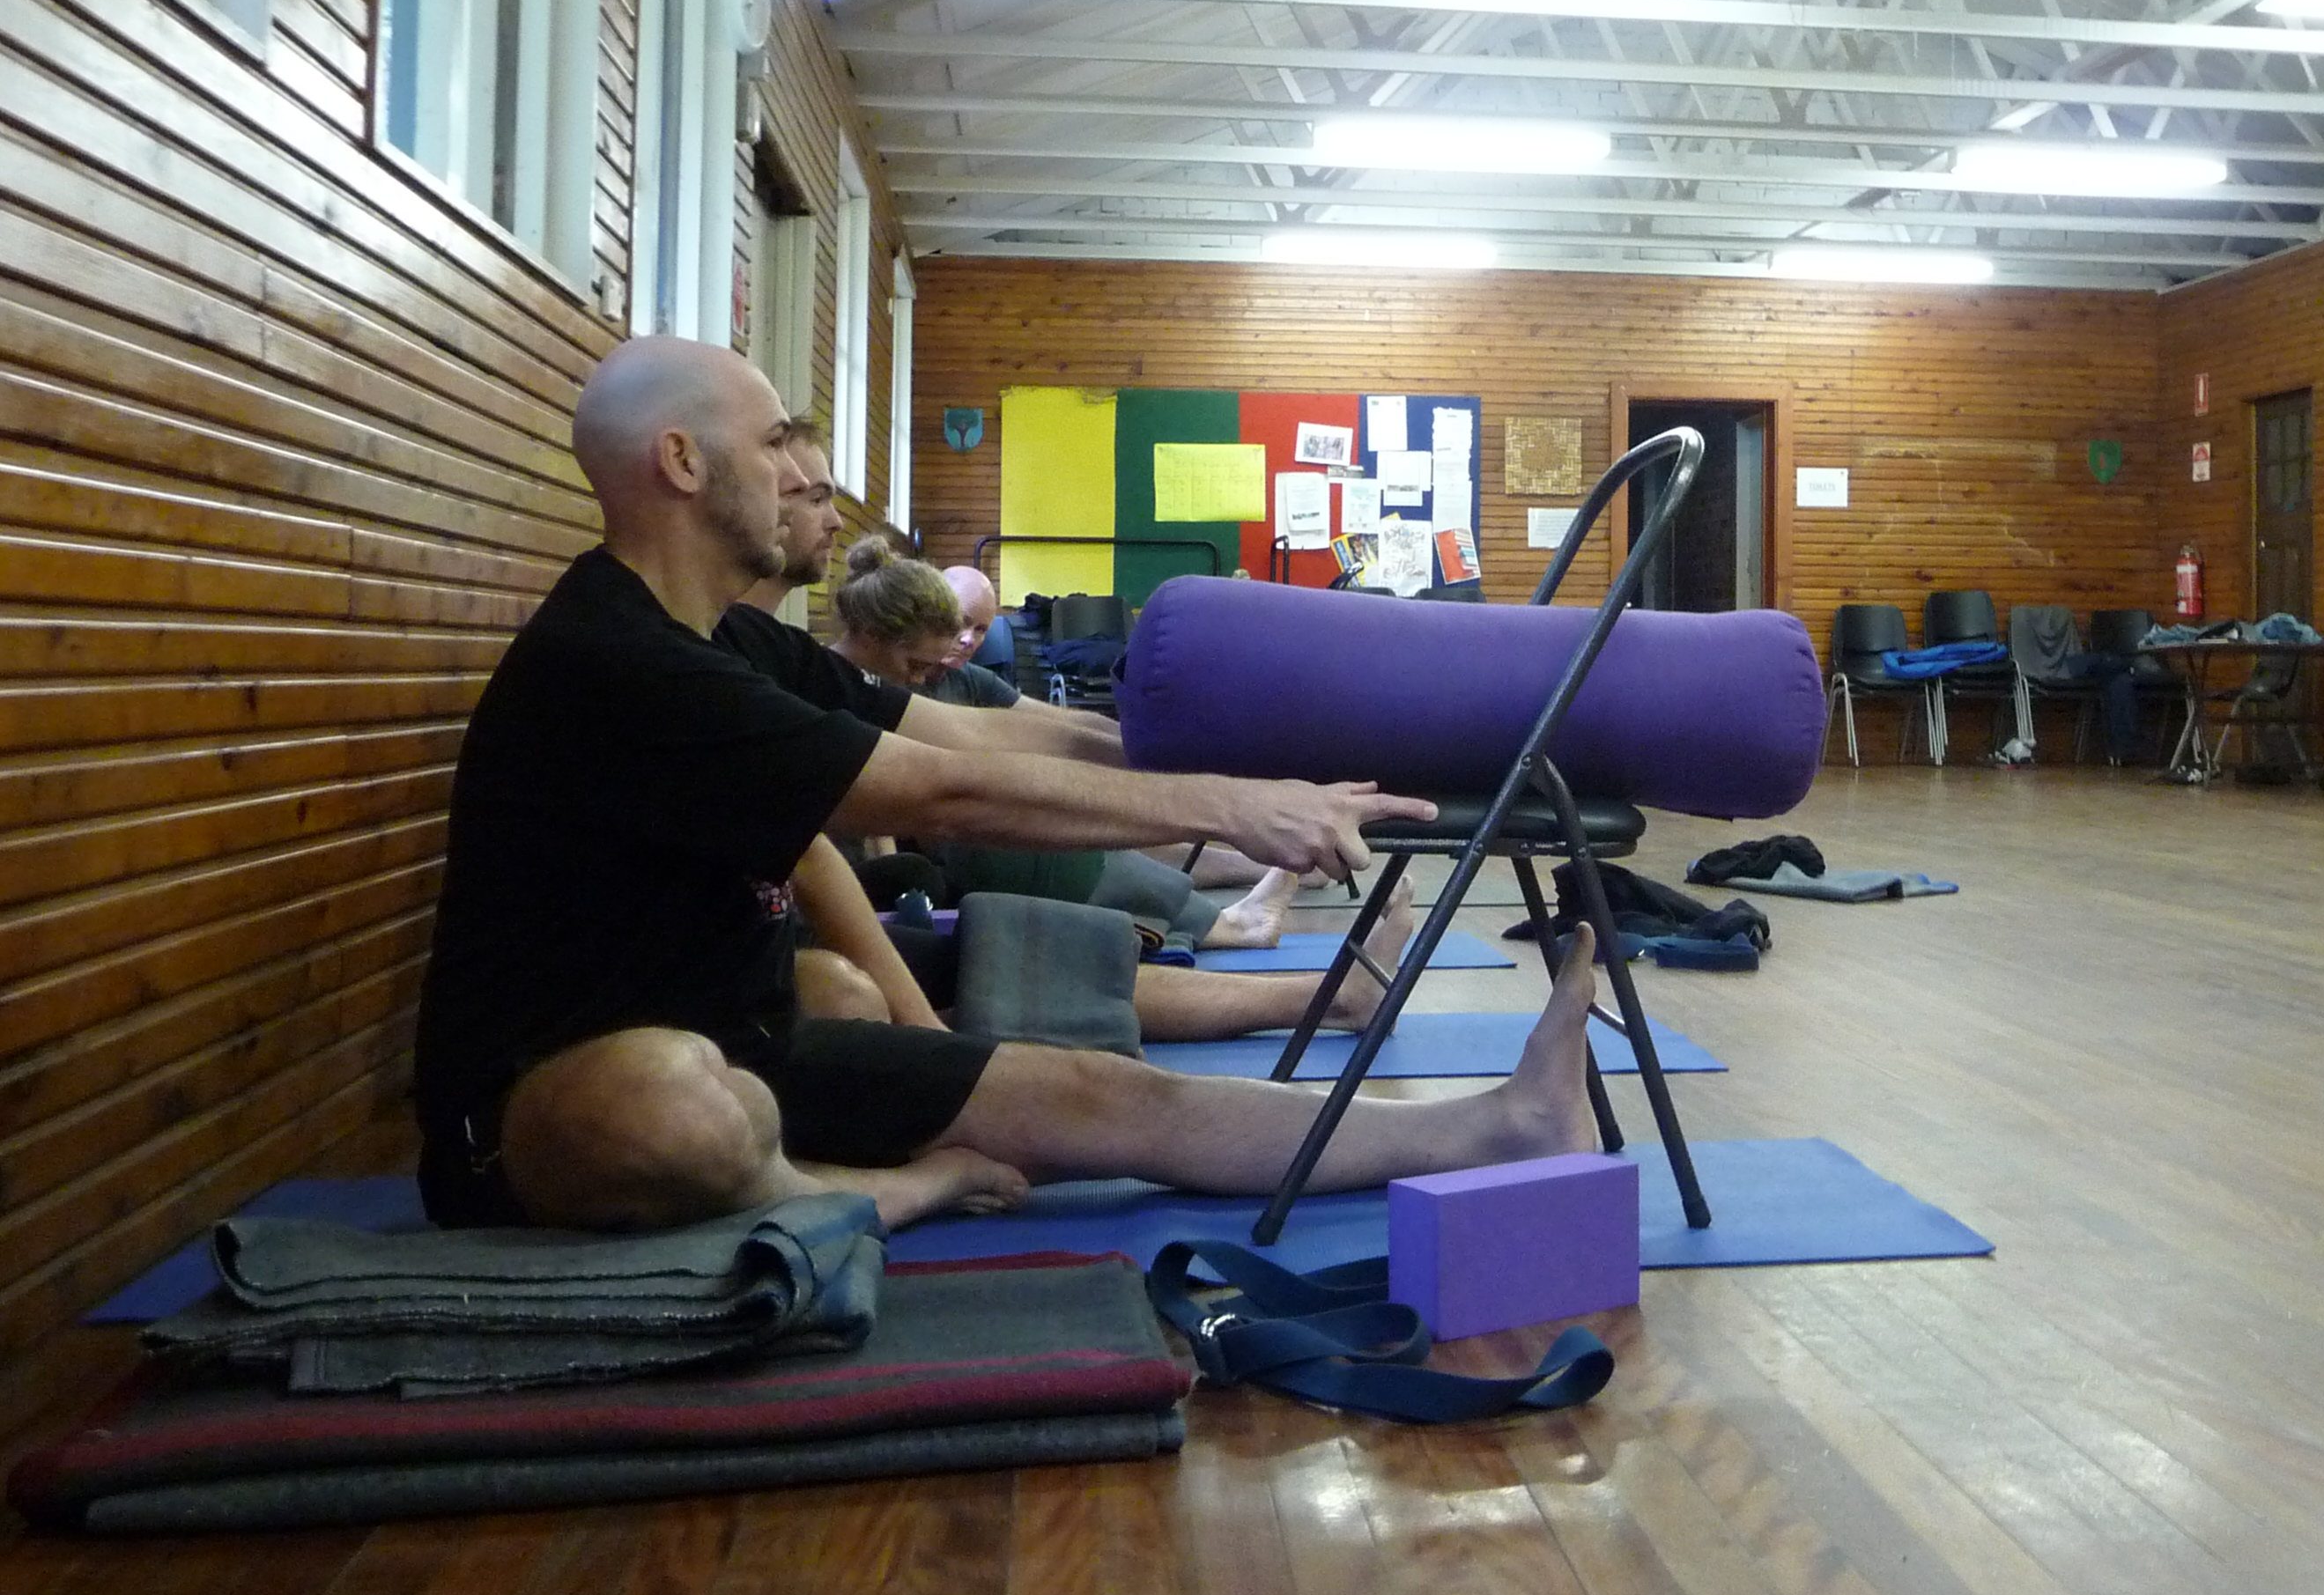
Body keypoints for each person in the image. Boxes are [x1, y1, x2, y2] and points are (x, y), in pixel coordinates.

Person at [412, 336, 1597, 1235]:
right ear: (681, 461)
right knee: (671, 1100)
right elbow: (940, 795)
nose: (799, 476)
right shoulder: (616, 660)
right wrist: (1228, 810)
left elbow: (985, 734)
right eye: (774, 445)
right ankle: (878, 1195)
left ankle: (1502, 1124)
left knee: (1099, 1092)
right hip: (546, 1118)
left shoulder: (733, 638)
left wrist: (1249, 765)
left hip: (746, 1049)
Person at [822, 536, 1303, 956]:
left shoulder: (945, 679)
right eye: (919, 661)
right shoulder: (849, 691)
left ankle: (1225, 911)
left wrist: (1160, 746)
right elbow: (886, 804)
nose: (964, 643)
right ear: (882, 634)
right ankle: (1227, 924)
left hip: (924, 849)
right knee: (1027, 826)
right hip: (900, 866)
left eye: (980, 629)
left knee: (1063, 814)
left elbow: (1055, 726)